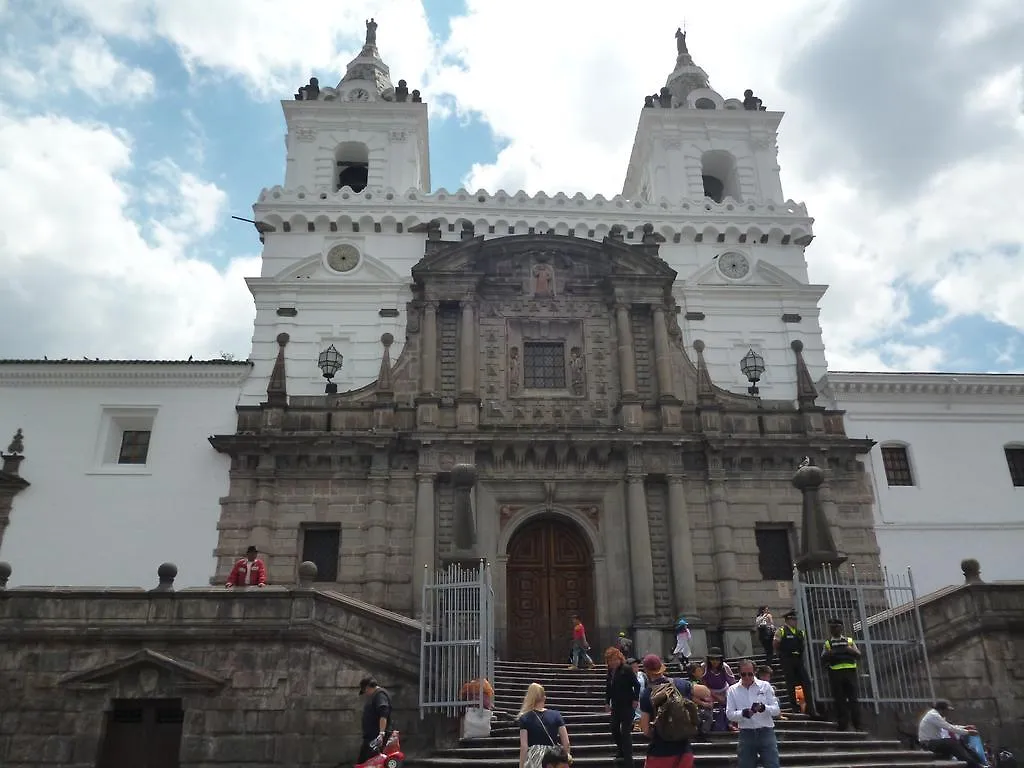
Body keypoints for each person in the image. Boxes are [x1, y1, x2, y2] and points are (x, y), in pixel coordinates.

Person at [638, 653, 696, 768]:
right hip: (684, 751)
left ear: (647, 671)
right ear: (662, 667)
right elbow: (705, 692)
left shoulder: (647, 694)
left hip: (659, 752)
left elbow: (645, 730)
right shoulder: (681, 684)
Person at [726, 659, 781, 768]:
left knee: (772, 764)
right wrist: (743, 713)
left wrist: (764, 708)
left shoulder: (765, 686)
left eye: (750, 674)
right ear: (739, 673)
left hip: (766, 731)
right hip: (746, 733)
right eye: (743, 674)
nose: (747, 677)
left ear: (755, 672)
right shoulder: (732, 690)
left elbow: (776, 710)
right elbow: (729, 714)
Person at [518, 682, 572, 768]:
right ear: (544, 698)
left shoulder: (524, 718)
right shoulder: (556, 715)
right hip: (553, 757)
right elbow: (566, 743)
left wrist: (521, 765)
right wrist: (566, 760)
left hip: (534, 758)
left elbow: (524, 746)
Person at [821, 618, 862, 731]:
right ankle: (843, 725)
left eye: (836, 627)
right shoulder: (828, 643)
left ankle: (857, 725)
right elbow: (823, 658)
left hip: (850, 673)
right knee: (839, 700)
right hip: (835, 673)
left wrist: (849, 650)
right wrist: (830, 654)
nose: (834, 630)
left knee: (853, 700)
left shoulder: (849, 641)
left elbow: (858, 654)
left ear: (841, 628)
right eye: (832, 628)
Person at [918, 700, 985, 767]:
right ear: (942, 709)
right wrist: (967, 732)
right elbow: (949, 727)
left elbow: (950, 726)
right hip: (928, 743)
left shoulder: (936, 715)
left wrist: (965, 727)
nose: (948, 712)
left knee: (957, 745)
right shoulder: (933, 716)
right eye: (947, 710)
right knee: (952, 742)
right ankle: (974, 765)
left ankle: (974, 762)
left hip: (933, 743)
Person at [774, 610, 814, 715]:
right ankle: (794, 707)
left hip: (798, 659)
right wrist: (782, 654)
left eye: (795, 619)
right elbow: (776, 643)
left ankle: (810, 707)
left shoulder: (799, 632)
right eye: (792, 619)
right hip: (787, 659)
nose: (795, 621)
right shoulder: (781, 631)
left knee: (806, 682)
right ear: (787, 620)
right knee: (790, 683)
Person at [605, 647, 640, 765]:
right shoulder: (610, 672)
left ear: (620, 659)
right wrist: (606, 702)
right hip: (616, 705)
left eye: (615, 660)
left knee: (625, 731)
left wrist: (635, 699)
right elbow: (608, 688)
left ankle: (628, 758)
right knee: (614, 728)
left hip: (627, 705)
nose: (613, 662)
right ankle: (621, 749)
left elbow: (637, 685)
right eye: (610, 660)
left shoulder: (626, 669)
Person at [357, 676, 392, 763]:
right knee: (364, 762)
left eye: (365, 691)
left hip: (376, 738)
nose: (366, 694)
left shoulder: (380, 695)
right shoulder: (375, 696)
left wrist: (381, 733)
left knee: (371, 762)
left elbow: (383, 713)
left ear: (368, 687)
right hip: (370, 738)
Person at [702, 647, 736, 732]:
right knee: (706, 704)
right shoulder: (704, 667)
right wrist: (716, 696)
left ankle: (730, 723)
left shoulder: (725, 667)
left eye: (717, 659)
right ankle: (706, 726)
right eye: (712, 659)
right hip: (708, 691)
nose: (714, 662)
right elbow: (702, 683)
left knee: (731, 700)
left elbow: (732, 683)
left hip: (724, 689)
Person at [629, 657, 647, 730]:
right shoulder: (626, 677)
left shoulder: (642, 675)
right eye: (633, 667)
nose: (635, 668)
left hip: (642, 698)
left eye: (636, 666)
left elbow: (647, 685)